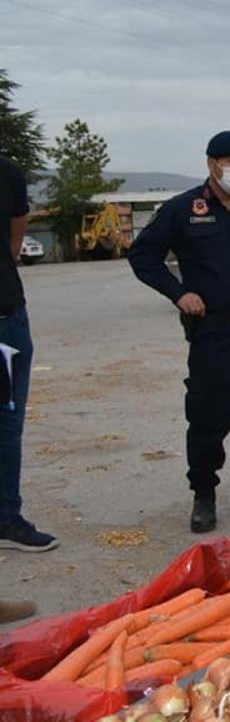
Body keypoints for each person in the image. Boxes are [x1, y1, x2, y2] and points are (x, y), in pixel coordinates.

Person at [129, 131, 230, 533]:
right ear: (212, 164)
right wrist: (178, 292)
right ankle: (204, 493)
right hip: (212, 334)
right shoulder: (184, 209)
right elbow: (142, 256)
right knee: (207, 417)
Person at [0, 155, 56, 552]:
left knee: (7, 424)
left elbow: (14, 242)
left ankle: (7, 518)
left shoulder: (7, 174)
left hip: (7, 318)